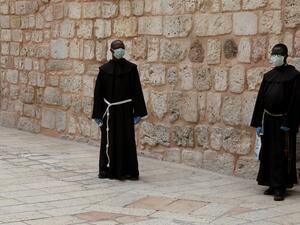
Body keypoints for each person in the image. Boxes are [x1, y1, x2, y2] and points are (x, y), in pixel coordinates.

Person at [92, 40, 147, 180]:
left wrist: (139, 112)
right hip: (109, 112)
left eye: (122, 48)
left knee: (127, 140)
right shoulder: (104, 70)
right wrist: (98, 115)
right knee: (109, 140)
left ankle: (128, 171)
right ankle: (107, 170)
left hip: (126, 111)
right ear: (111, 51)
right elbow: (98, 94)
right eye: (117, 48)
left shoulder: (131, 69)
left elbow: (137, 91)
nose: (120, 50)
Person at [251, 43, 300, 201]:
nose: (274, 57)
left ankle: (281, 187)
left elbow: (296, 102)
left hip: (284, 121)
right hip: (268, 120)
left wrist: (289, 122)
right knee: (268, 152)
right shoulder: (268, 76)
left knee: (281, 153)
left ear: (285, 56)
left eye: (277, 54)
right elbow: (260, 100)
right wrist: (258, 122)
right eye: (273, 54)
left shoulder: (294, 76)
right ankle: (271, 183)